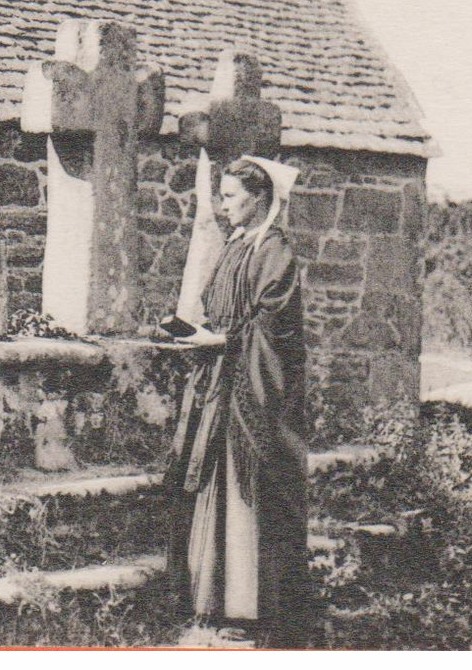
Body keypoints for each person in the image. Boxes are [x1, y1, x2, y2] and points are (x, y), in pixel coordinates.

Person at [164, 155, 310, 648]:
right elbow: (222, 309)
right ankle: (209, 598)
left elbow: (277, 328)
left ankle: (248, 606)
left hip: (253, 392)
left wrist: (224, 343)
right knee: (211, 484)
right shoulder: (236, 246)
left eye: (231, 196)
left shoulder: (275, 250)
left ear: (260, 197)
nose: (223, 207)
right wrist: (203, 334)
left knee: (244, 489)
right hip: (220, 383)